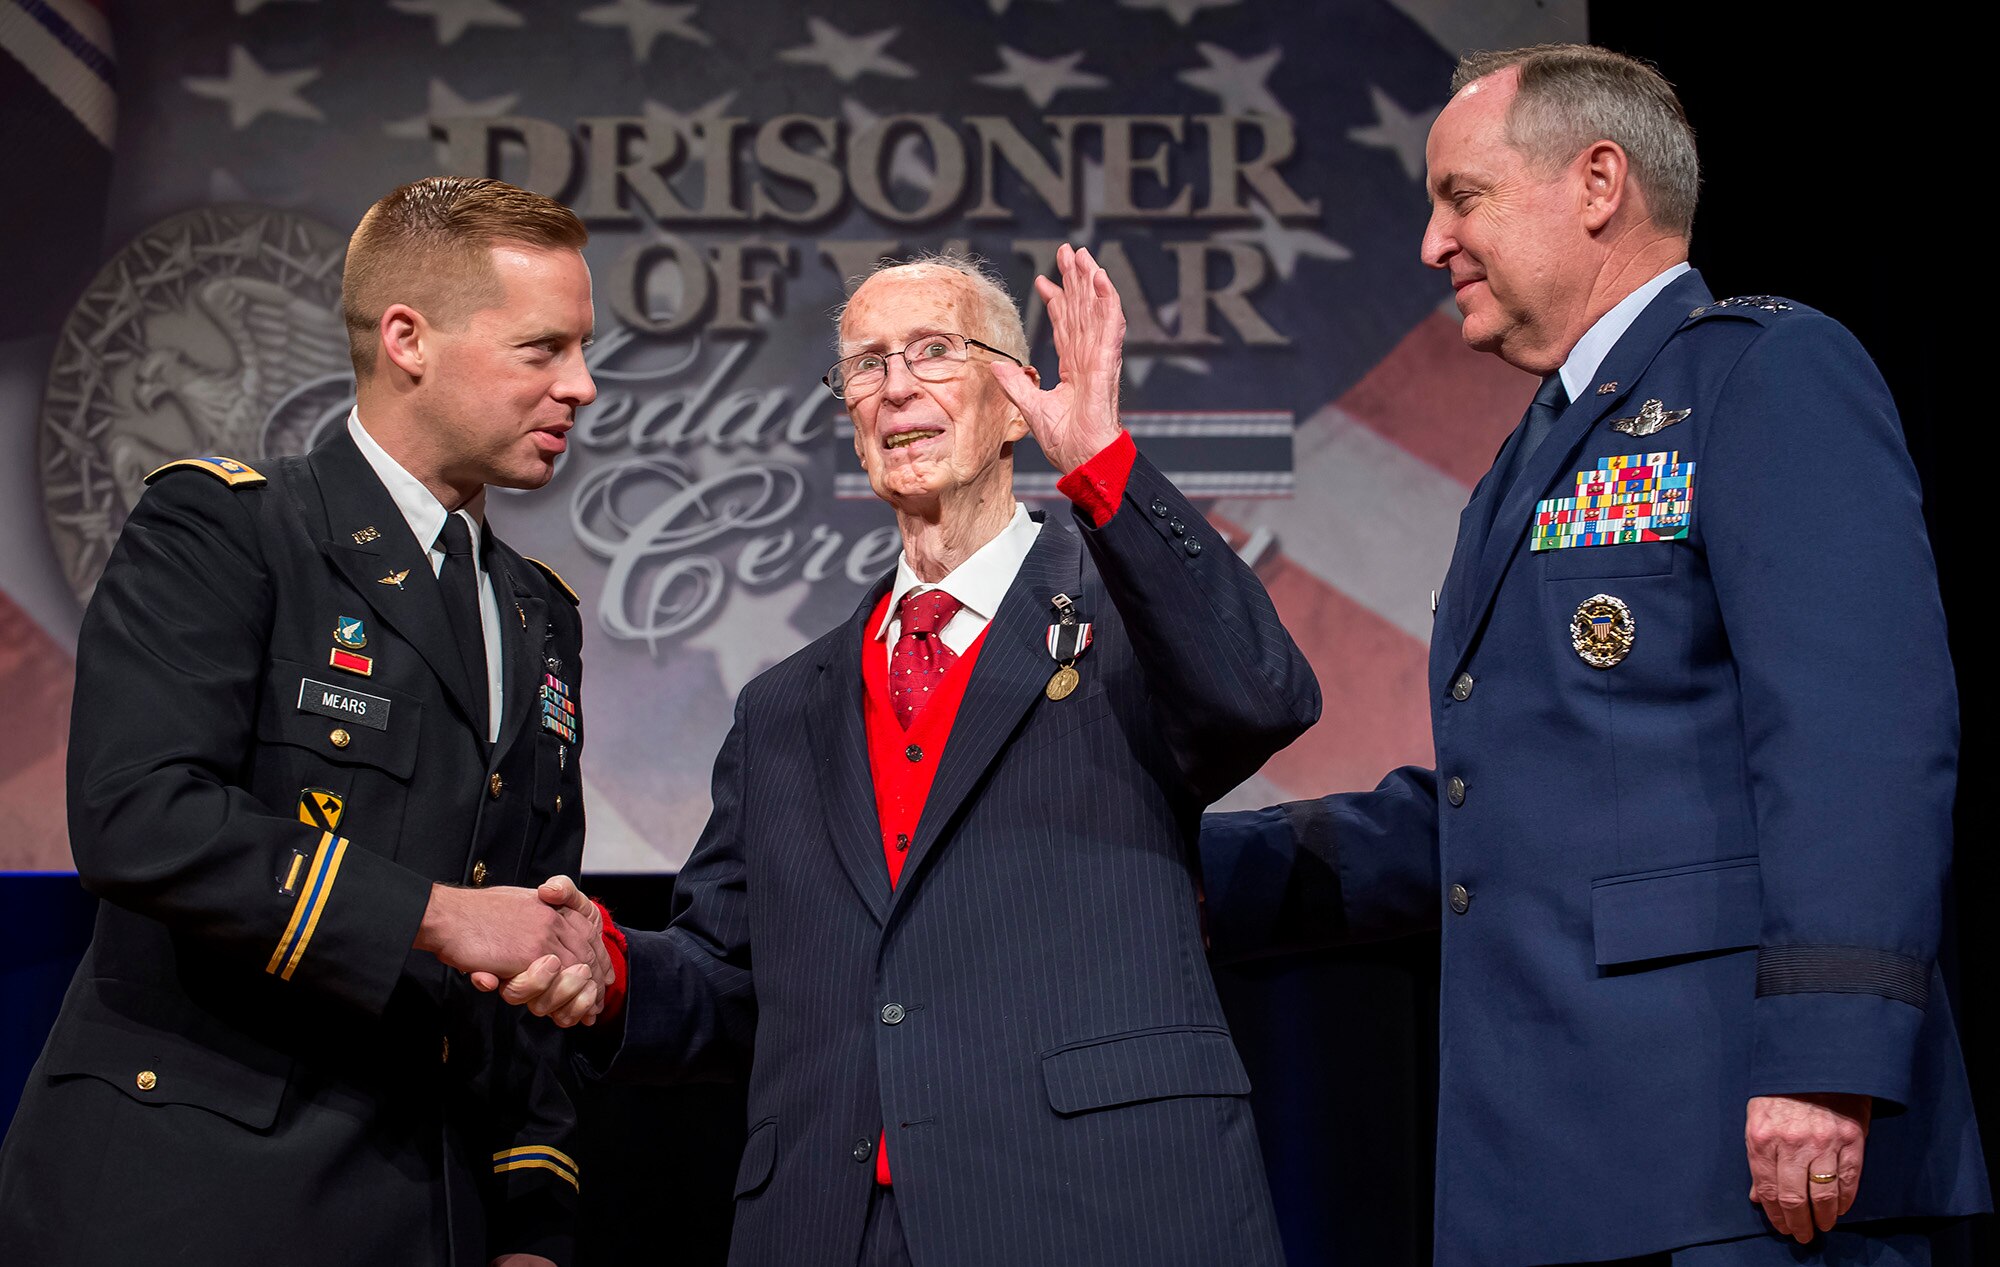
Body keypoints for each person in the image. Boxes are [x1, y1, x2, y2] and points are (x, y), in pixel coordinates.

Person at [1199, 44, 1989, 1267]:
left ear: (1596, 181)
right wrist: (1183, 872)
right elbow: (1501, 814)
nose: (1429, 242)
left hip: (1744, 1164)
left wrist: (1827, 1065)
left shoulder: (1761, 374)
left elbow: (1857, 744)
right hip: (1561, 1172)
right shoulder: (1535, 452)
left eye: (1459, 195)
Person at [507, 245, 1321, 1266]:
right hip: (832, 1224)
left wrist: (1102, 460)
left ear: (1015, 402)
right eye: (865, 363)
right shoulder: (780, 710)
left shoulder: (1127, 628)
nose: (895, 387)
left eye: (933, 352)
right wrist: (614, 967)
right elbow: (727, 984)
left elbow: (1263, 693)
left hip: (1099, 1207)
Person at [0, 176, 608, 1267]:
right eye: (541, 349)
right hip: (190, 1204)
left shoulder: (540, 614)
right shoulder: (225, 528)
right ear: (407, 339)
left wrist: (531, 1220)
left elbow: (531, 939)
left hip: (434, 1213)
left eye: (581, 349)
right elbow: (138, 817)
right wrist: (436, 914)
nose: (583, 385)